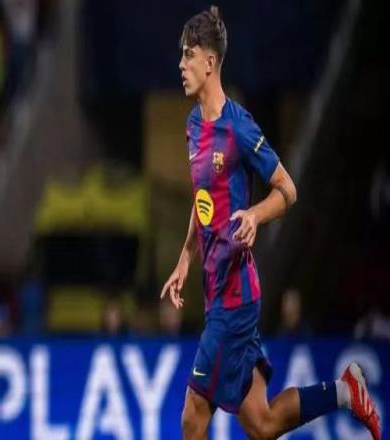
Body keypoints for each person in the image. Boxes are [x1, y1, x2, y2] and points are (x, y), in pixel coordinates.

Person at [160, 6, 380, 440]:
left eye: (188, 55)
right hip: (216, 290)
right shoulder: (193, 125)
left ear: (210, 62)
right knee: (261, 424)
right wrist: (186, 256)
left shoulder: (239, 128)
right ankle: (345, 391)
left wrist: (256, 215)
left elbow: (287, 190)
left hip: (236, 299)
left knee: (193, 414)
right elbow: (204, 198)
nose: (181, 64)